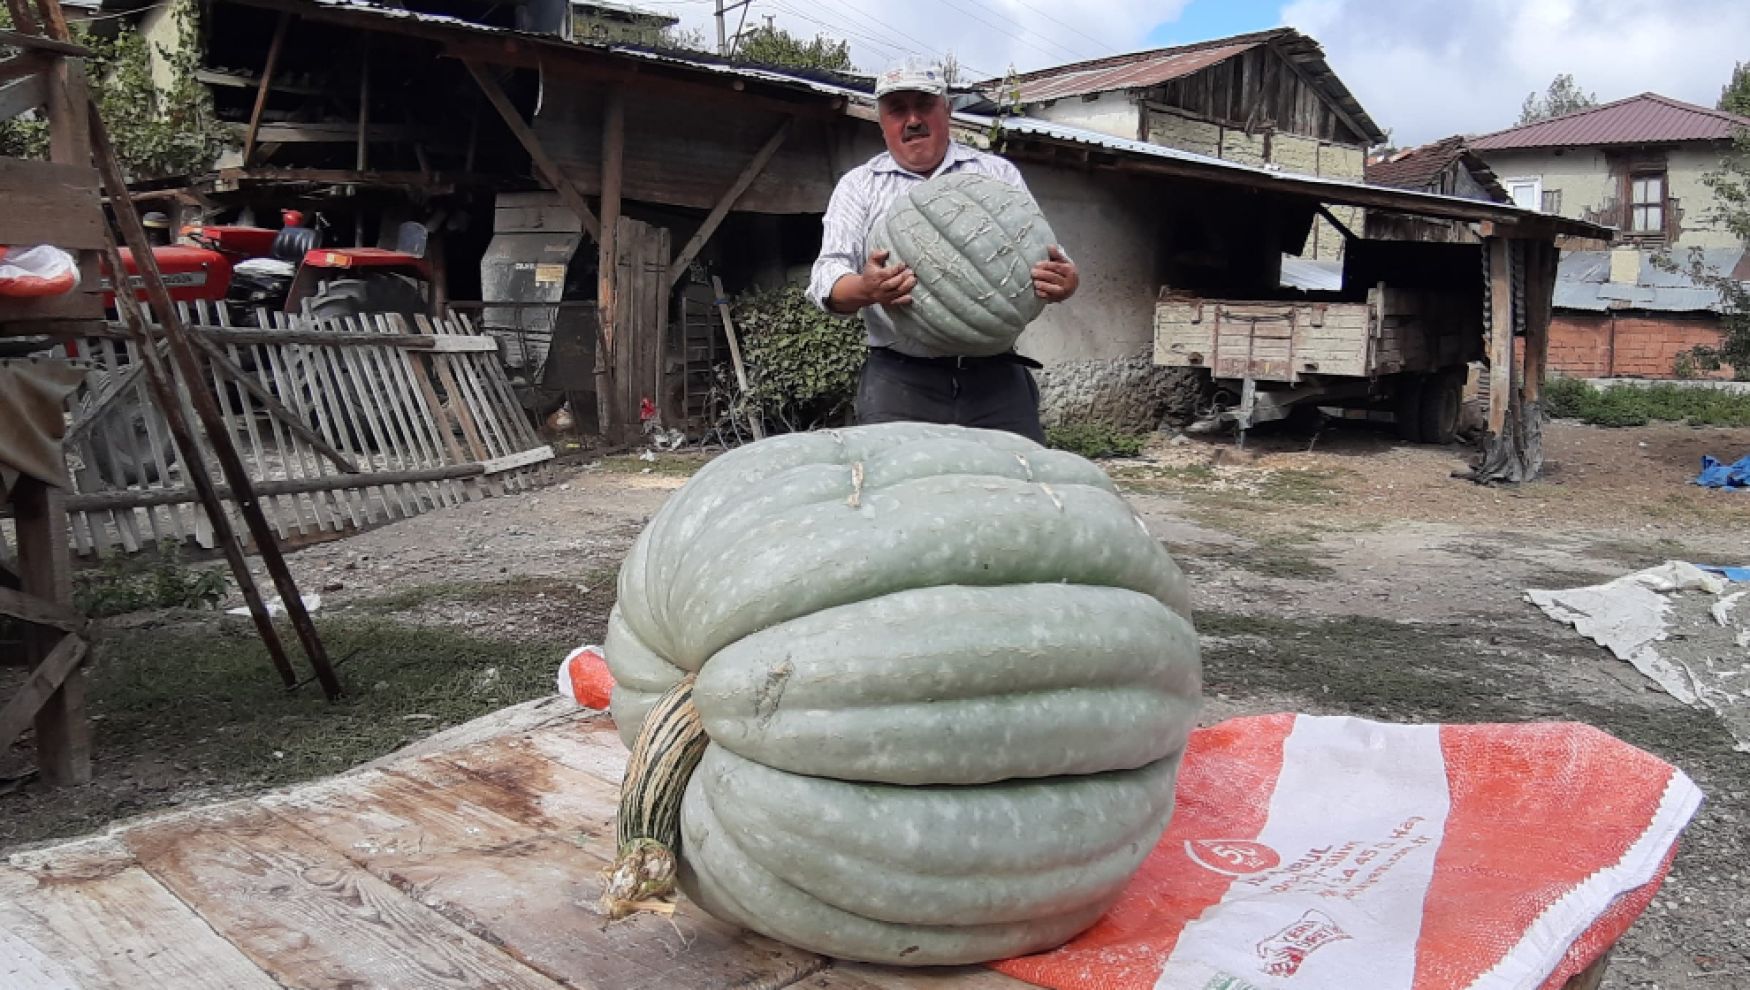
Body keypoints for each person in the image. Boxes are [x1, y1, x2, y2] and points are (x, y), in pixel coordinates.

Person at [806, 58, 1078, 444]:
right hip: (900, 381)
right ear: (881, 120)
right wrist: (866, 290)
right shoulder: (859, 187)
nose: (912, 119)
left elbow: (1052, 258)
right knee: (902, 500)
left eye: (924, 105)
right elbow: (825, 277)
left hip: (997, 379)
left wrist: (1066, 279)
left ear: (947, 110)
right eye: (898, 109)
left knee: (1014, 494)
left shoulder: (995, 174)